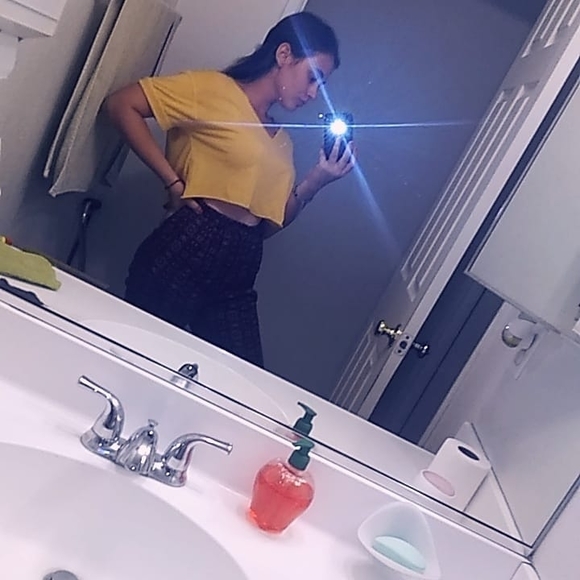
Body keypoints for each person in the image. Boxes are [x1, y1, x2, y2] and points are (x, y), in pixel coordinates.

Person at [105, 11, 355, 368]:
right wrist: (172, 181)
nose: (314, 93)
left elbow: (268, 225)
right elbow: (121, 104)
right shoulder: (212, 89)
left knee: (240, 378)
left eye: (321, 86)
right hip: (188, 246)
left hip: (241, 268)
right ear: (284, 55)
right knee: (141, 360)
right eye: (312, 78)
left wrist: (318, 178)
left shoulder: (281, 140)